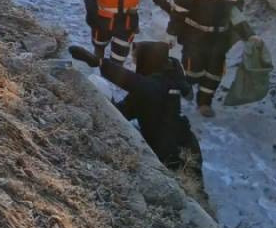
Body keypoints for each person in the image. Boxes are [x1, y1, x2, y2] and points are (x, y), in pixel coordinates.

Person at [68, 40, 198, 171]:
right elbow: (124, 112)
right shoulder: (157, 86)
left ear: (148, 60)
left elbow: (132, 81)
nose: (136, 62)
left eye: (137, 59)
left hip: (177, 155)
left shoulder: (156, 87)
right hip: (178, 146)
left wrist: (99, 62)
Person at [171, 0, 256, 117]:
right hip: (195, 35)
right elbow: (180, 11)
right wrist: (171, 33)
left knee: (214, 72)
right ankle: (184, 90)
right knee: (191, 67)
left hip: (219, 38)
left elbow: (236, 15)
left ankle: (204, 103)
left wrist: (248, 35)